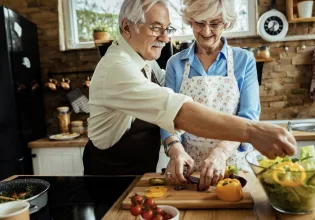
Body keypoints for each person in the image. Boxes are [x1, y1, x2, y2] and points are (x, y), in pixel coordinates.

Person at [83, 0, 296, 184]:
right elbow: (175, 112)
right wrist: (254, 132)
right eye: (156, 28)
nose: (166, 39)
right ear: (126, 27)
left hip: (146, 172)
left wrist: (222, 151)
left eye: (167, 29)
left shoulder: (147, 62)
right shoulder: (119, 68)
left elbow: (247, 112)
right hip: (112, 177)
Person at [160, 0, 261, 190]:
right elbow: (167, 118)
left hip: (234, 166)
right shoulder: (175, 64)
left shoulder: (244, 61)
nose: (206, 32)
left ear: (226, 23)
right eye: (199, 22)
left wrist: (220, 153)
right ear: (190, 21)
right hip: (189, 170)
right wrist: (176, 152)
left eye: (214, 23)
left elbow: (249, 117)